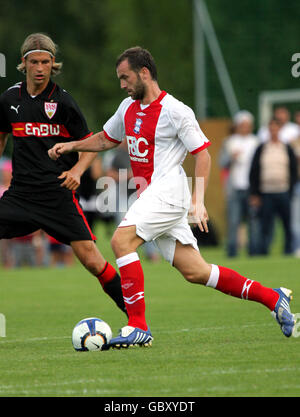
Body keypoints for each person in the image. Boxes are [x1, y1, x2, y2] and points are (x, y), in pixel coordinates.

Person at [48, 46, 296, 347]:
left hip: (168, 192)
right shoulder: (127, 108)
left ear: (144, 73)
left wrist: (198, 199)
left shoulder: (175, 110)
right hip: (153, 196)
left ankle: (138, 325)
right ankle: (273, 298)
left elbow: (202, 155)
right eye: (119, 80)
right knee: (196, 271)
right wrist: (72, 146)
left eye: (125, 78)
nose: (123, 85)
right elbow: (105, 138)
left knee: (120, 241)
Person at [0, 33, 126, 315]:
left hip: (57, 195)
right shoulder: (8, 99)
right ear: (24, 63)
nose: (41, 68)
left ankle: (137, 320)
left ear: (53, 63)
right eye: (35, 62)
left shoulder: (63, 102)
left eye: (46, 61)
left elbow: (91, 143)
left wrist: (78, 171)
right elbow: (1, 139)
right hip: (20, 195)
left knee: (93, 261)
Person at [249, 118, 298, 255]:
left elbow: (293, 170)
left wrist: (290, 189)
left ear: (280, 130)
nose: (273, 131)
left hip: (283, 192)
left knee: (287, 224)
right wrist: (255, 193)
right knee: (265, 225)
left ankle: (288, 250)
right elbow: (254, 172)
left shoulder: (287, 148)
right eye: (271, 129)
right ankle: (263, 252)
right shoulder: (262, 148)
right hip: (266, 192)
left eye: (276, 129)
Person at [219, 110, 259, 257]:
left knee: (253, 221)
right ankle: (232, 251)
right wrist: (231, 157)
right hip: (234, 187)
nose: (244, 127)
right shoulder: (229, 142)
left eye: (247, 125)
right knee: (234, 221)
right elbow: (221, 163)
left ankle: (254, 251)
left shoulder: (256, 141)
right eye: (242, 125)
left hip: (251, 187)